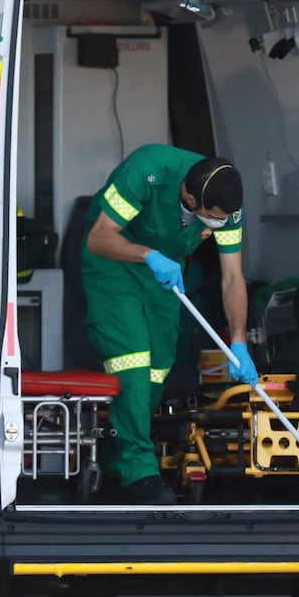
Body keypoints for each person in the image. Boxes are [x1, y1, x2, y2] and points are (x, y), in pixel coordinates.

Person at [82, 144, 257, 505]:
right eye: (214, 218)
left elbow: (231, 277)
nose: (221, 224)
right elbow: (98, 237)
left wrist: (239, 341)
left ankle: (120, 456)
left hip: (164, 271)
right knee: (132, 359)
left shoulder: (226, 204)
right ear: (190, 198)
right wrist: (147, 255)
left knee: (159, 367)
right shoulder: (149, 170)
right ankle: (139, 470)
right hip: (114, 262)